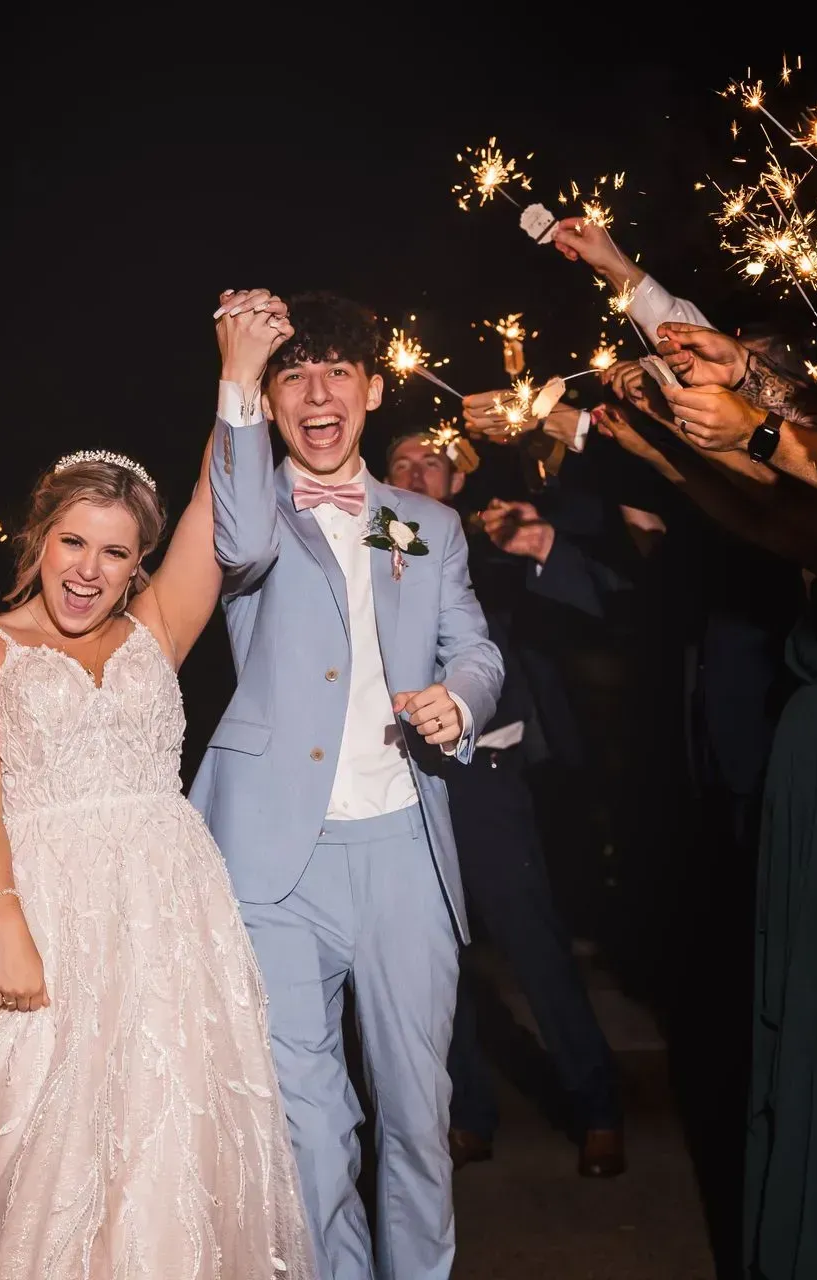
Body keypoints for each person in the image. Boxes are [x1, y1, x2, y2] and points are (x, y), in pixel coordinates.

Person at [0, 446, 313, 1278]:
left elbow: (209, 499)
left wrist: (238, 374)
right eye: (73, 543)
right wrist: (5, 923)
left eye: (116, 552)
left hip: (168, 921)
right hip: (40, 911)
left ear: (137, 567)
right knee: (32, 1141)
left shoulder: (157, 628)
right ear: (39, 541)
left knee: (166, 1135)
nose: (89, 571)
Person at [193, 290, 502, 1280]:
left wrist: (459, 695)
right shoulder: (248, 503)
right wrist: (235, 378)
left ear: (374, 388)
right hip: (274, 862)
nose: (317, 394)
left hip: (406, 848)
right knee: (309, 1126)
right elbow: (236, 546)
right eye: (295, 374)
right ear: (273, 395)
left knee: (417, 1117)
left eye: (338, 374)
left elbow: (477, 648)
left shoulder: (423, 524)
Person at [384, 431, 624, 1178]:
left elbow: (589, 600)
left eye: (432, 461)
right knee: (431, 958)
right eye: (401, 464)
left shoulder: (492, 549)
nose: (417, 473)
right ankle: (466, 1115)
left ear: (458, 477)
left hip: (488, 778)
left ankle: (597, 1109)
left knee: (533, 944)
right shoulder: (373, 547)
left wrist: (539, 547)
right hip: (404, 778)